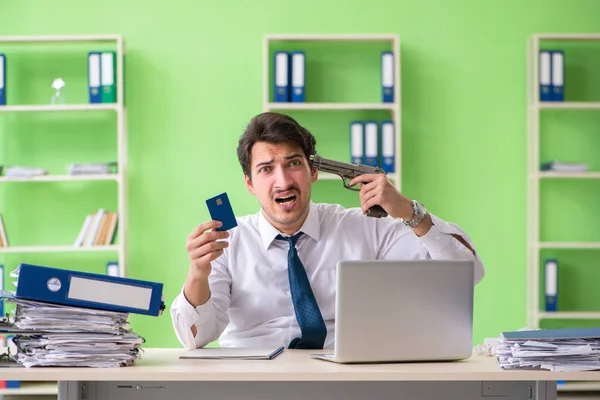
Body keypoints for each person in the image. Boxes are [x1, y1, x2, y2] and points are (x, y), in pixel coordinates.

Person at [171, 112, 485, 350]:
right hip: (252, 384)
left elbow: (467, 272)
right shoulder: (229, 240)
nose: (282, 181)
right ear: (250, 184)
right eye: (266, 169)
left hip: (343, 382)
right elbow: (193, 337)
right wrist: (197, 274)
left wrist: (408, 211)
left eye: (293, 163)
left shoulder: (364, 227)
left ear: (314, 172)